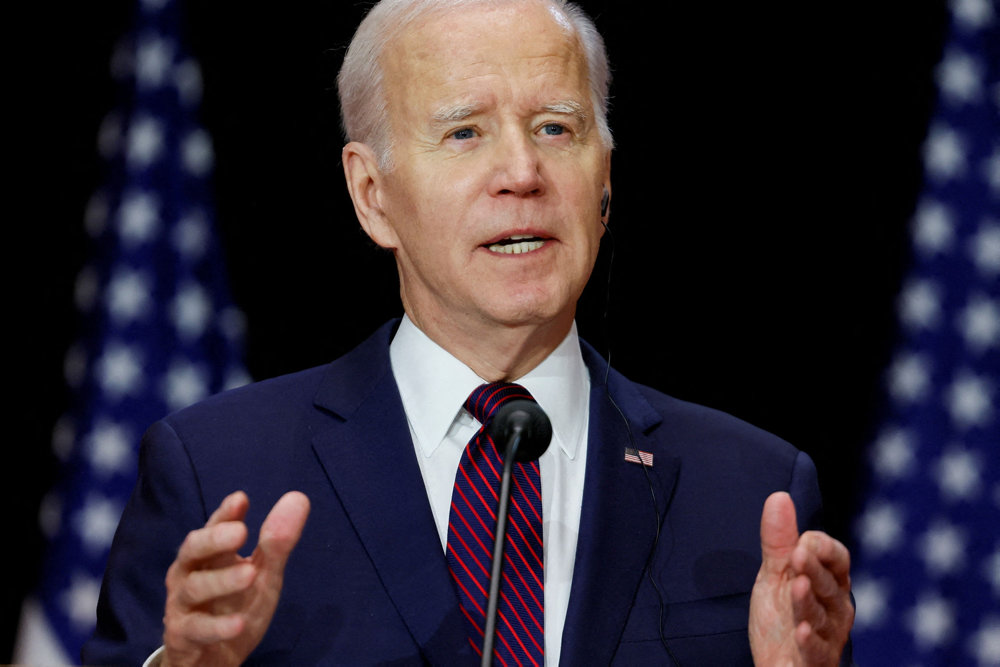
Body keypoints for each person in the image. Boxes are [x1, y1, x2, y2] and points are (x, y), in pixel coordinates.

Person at [83, 0, 855, 664]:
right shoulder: (216, 471)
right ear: (371, 193)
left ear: (606, 180)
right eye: (465, 134)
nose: (522, 171)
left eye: (556, 128)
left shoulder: (753, 492)